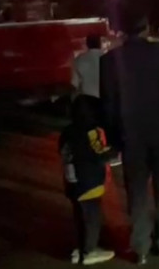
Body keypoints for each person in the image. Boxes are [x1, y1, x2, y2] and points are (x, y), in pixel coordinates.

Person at [100, 13, 159, 264]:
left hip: (130, 135)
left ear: (122, 31)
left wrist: (112, 138)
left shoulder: (110, 60)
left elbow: (108, 104)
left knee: (137, 192)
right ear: (146, 29)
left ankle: (141, 247)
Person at [61, 95, 117, 265]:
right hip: (89, 182)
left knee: (80, 217)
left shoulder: (67, 132)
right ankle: (89, 251)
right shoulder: (91, 132)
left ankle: (81, 248)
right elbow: (100, 153)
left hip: (72, 182)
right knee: (92, 219)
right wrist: (115, 152)